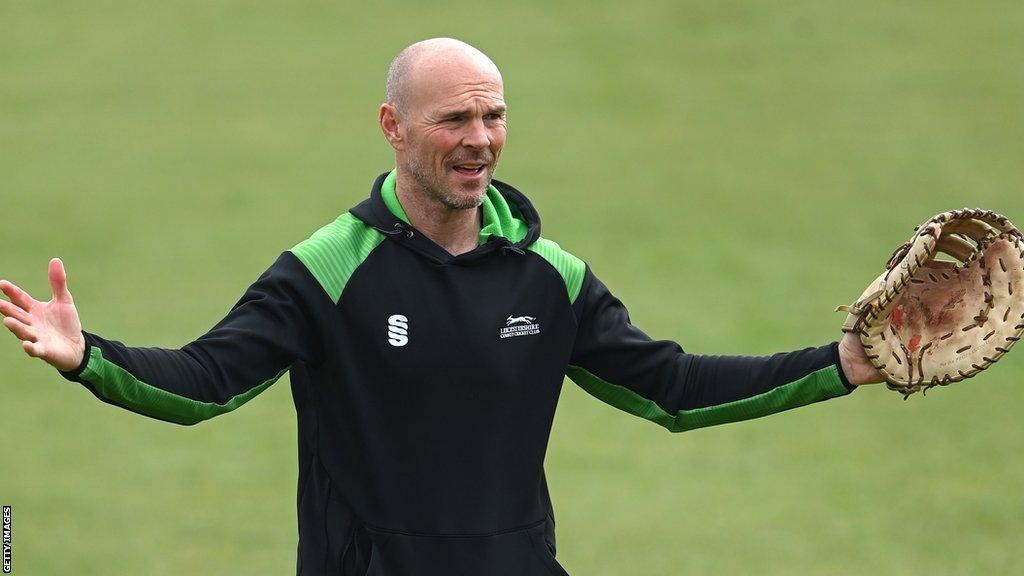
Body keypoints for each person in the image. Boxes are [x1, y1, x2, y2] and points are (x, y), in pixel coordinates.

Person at [0, 38, 882, 575]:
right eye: (453, 119)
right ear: (392, 125)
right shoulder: (327, 271)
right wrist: (91, 358)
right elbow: (206, 384)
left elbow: (672, 388)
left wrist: (838, 365)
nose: (480, 139)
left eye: (493, 116)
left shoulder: (550, 276)